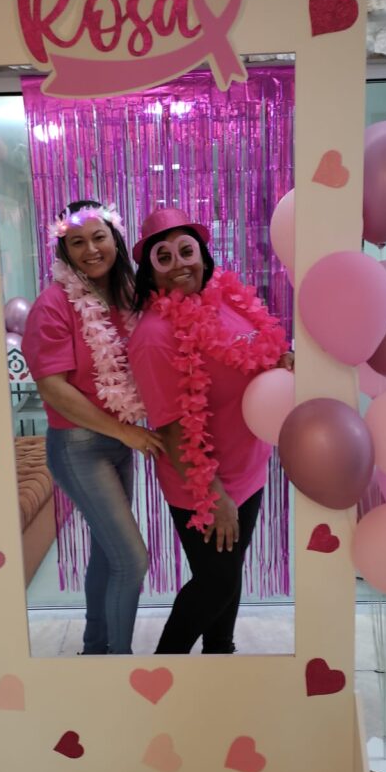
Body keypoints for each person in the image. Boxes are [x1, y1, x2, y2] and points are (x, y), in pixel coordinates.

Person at [128, 207, 290, 654]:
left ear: (203, 253)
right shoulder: (154, 337)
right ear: (150, 272)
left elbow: (259, 352)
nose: (179, 264)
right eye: (163, 257)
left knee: (229, 577)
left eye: (187, 251)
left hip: (249, 465)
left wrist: (281, 361)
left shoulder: (228, 299)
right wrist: (214, 494)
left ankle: (221, 653)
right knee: (216, 582)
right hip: (202, 485)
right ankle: (165, 668)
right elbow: (171, 428)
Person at [21, 200, 164, 655]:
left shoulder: (127, 295)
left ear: (115, 240)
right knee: (132, 559)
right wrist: (127, 433)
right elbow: (54, 389)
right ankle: (119, 665)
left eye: (99, 237)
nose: (90, 250)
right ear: (63, 250)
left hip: (119, 441)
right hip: (79, 446)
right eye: (77, 242)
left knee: (109, 552)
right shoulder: (53, 305)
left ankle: (95, 648)